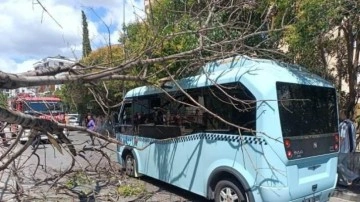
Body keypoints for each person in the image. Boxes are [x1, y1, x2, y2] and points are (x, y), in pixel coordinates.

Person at [337, 110, 360, 186]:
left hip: (343, 148)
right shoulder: (352, 124)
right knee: (344, 164)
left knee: (337, 164)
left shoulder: (343, 125)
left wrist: (337, 148)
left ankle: (353, 176)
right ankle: (344, 182)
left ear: (344, 114)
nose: (339, 115)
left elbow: (341, 137)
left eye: (340, 113)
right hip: (350, 148)